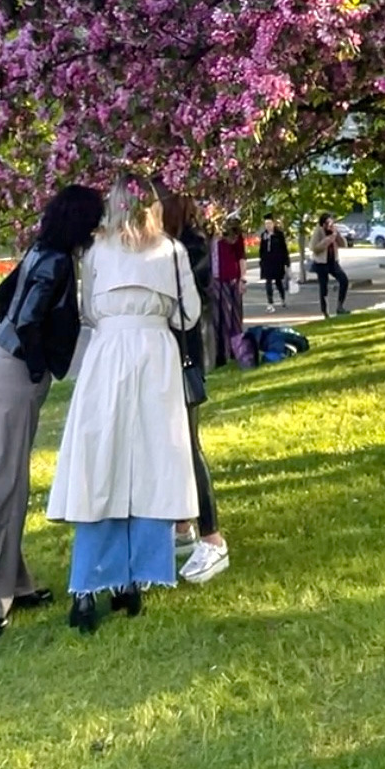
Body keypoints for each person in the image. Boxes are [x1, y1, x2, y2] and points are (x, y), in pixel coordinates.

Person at [0, 185, 104, 641]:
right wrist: (39, 367)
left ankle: (12, 583)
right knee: (3, 484)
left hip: (7, 363)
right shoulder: (55, 261)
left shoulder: (43, 250)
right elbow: (27, 318)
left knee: (11, 480)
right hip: (19, 369)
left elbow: (3, 299)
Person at [47, 178, 199, 632]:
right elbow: (188, 314)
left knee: (101, 460)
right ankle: (134, 578)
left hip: (109, 353)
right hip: (155, 354)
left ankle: (89, 583)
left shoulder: (95, 252)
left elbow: (89, 310)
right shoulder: (171, 251)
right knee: (151, 462)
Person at [162, 189, 229, 586]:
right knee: (173, 443)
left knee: (187, 443)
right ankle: (183, 524)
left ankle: (211, 535)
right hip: (168, 352)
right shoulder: (179, 244)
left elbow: (188, 305)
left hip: (183, 355)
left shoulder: (188, 246)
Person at [210, 220, 247, 365]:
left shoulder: (232, 230)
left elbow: (241, 256)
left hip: (231, 280)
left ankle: (236, 352)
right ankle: (220, 355)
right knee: (218, 320)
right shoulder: (209, 233)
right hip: (215, 280)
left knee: (233, 319)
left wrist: (242, 278)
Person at [309, 215, 349, 316]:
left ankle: (340, 306)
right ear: (323, 224)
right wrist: (329, 239)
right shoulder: (318, 232)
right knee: (323, 287)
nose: (330, 225)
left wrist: (337, 235)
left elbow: (344, 244)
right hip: (321, 263)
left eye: (332, 223)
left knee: (344, 280)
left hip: (333, 262)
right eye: (328, 223)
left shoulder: (334, 232)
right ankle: (325, 311)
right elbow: (314, 248)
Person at [258, 218, 291, 308]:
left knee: (278, 281)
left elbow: (284, 249)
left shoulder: (279, 235)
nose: (268, 226)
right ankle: (270, 301)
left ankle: (282, 298)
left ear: (273, 224)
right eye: (266, 224)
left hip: (277, 262)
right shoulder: (264, 235)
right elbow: (261, 249)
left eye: (269, 223)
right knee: (268, 281)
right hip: (267, 262)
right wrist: (261, 260)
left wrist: (286, 262)